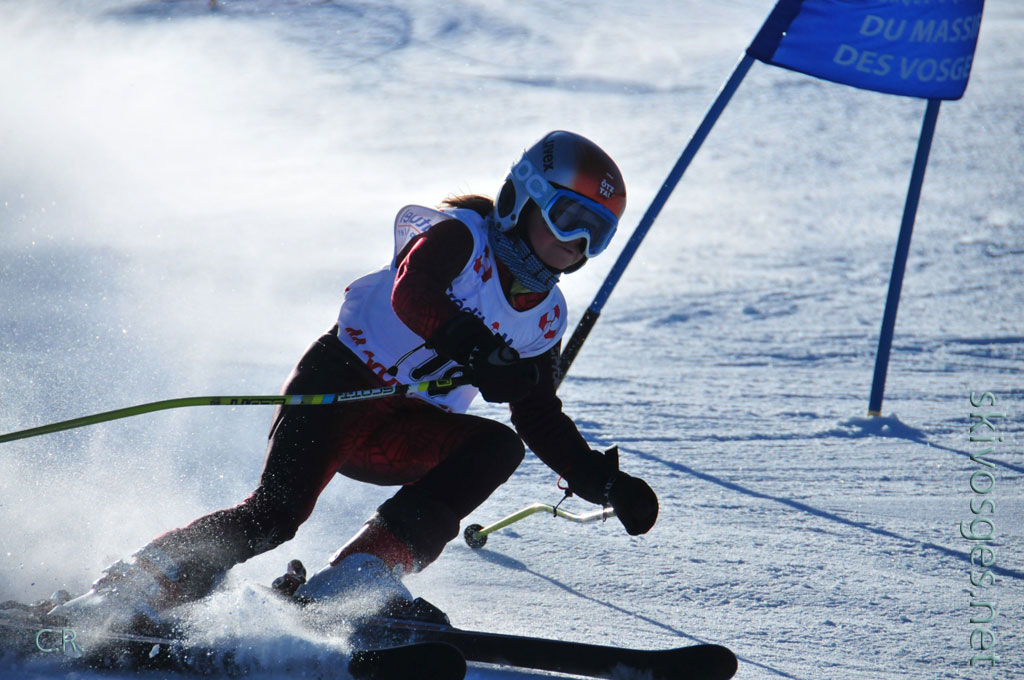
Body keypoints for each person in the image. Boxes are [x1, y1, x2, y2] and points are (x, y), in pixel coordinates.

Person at [51, 130, 659, 629]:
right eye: (568, 218)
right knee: (275, 515)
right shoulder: (460, 237)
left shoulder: (546, 318)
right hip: (337, 389)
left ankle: (357, 579)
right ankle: (134, 587)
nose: (576, 244)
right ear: (519, 199)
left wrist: (600, 481)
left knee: (498, 446)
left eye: (596, 234)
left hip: (405, 431)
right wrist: (480, 352)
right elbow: (412, 293)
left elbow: (537, 413)